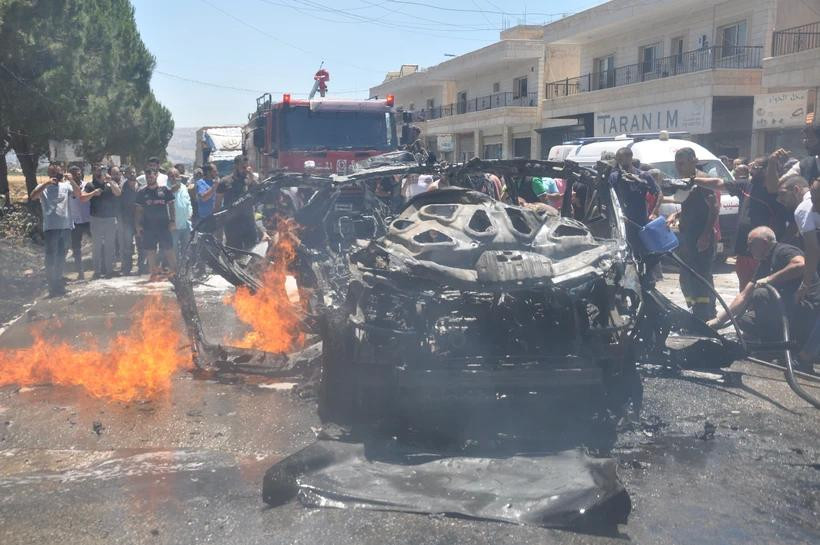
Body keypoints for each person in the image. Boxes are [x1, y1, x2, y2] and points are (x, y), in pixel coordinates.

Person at [708, 227, 820, 366]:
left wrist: (769, 279)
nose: (748, 249)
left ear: (764, 243)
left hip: (807, 308)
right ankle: (778, 342)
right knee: (743, 320)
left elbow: (801, 264)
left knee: (761, 294)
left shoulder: (784, 250)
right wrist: (719, 320)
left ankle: (778, 347)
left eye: (751, 244)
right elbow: (744, 295)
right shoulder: (764, 263)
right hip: (790, 310)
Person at [666, 147, 720, 321]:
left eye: (681, 163)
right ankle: (695, 309)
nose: (678, 167)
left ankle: (707, 312)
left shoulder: (703, 181)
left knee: (702, 276)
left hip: (701, 236)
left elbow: (714, 209)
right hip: (687, 235)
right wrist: (677, 214)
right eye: (676, 164)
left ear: (693, 161)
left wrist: (705, 235)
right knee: (686, 275)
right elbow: (690, 205)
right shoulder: (686, 181)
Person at [30, 164, 82, 297]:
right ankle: (51, 285)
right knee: (50, 257)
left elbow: (78, 194)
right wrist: (46, 184)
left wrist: (71, 180)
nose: (57, 175)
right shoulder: (44, 187)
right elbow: (33, 197)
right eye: (55, 173)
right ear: (49, 174)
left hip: (65, 227)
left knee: (61, 256)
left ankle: (58, 283)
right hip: (51, 228)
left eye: (59, 173)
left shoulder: (65, 186)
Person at [608, 147, 661, 255]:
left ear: (630, 158)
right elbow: (609, 198)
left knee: (644, 252)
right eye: (618, 161)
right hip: (622, 222)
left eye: (622, 160)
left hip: (640, 221)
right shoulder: (614, 177)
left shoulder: (644, 176)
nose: (621, 164)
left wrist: (654, 212)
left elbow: (658, 193)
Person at [135, 167, 176, 281]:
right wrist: (138, 225)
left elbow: (171, 206)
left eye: (151, 176)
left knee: (169, 250)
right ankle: (154, 274)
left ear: (156, 176)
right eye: (147, 177)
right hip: (148, 227)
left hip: (164, 226)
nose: (149, 179)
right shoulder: (142, 192)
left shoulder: (165, 190)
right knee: (151, 251)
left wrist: (172, 221)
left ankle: (175, 273)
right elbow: (138, 210)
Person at [83, 164, 121, 278]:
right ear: (94, 172)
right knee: (97, 246)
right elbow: (83, 198)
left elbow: (118, 193)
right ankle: (97, 271)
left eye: (103, 170)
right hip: (96, 219)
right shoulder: (90, 185)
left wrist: (110, 181)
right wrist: (93, 193)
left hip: (110, 219)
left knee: (110, 246)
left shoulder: (110, 184)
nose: (101, 171)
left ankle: (109, 270)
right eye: (98, 169)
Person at [215, 155, 257, 250]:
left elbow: (259, 192)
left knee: (252, 251)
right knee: (234, 252)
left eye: (247, 167)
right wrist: (218, 225)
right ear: (236, 166)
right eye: (243, 167)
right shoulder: (225, 182)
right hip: (232, 224)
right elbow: (217, 204)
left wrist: (251, 176)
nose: (245, 169)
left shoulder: (249, 180)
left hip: (248, 223)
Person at [67, 164, 91, 279]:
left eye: (78, 172)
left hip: (88, 219)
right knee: (76, 248)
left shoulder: (87, 185)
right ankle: (80, 271)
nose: (77, 174)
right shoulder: (67, 186)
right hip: (74, 222)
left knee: (97, 243)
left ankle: (98, 266)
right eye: (74, 172)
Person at [117, 166, 140, 275]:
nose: (132, 174)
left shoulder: (140, 186)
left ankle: (141, 267)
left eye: (134, 172)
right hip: (127, 221)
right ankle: (127, 268)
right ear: (126, 174)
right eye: (130, 172)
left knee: (141, 244)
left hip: (140, 220)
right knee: (127, 246)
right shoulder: (122, 187)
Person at [168, 167, 193, 259]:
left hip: (185, 224)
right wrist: (175, 187)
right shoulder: (166, 187)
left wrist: (190, 212)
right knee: (174, 249)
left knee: (186, 249)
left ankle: (185, 270)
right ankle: (175, 269)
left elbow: (188, 201)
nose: (174, 178)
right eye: (171, 176)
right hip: (173, 225)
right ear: (168, 177)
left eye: (176, 176)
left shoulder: (183, 186)